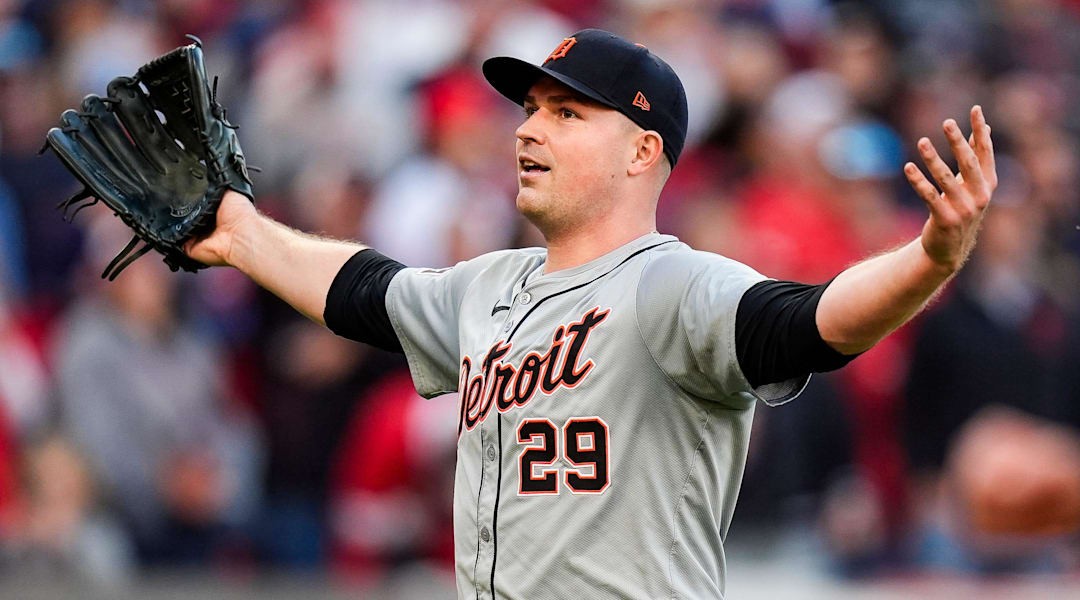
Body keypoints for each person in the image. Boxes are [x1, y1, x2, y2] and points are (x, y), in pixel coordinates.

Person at [183, 29, 996, 599]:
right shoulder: (484, 286)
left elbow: (815, 322)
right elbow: (362, 289)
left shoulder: (673, 287)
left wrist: (928, 258)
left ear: (644, 151)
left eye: (566, 114)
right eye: (531, 108)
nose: (529, 129)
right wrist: (243, 233)